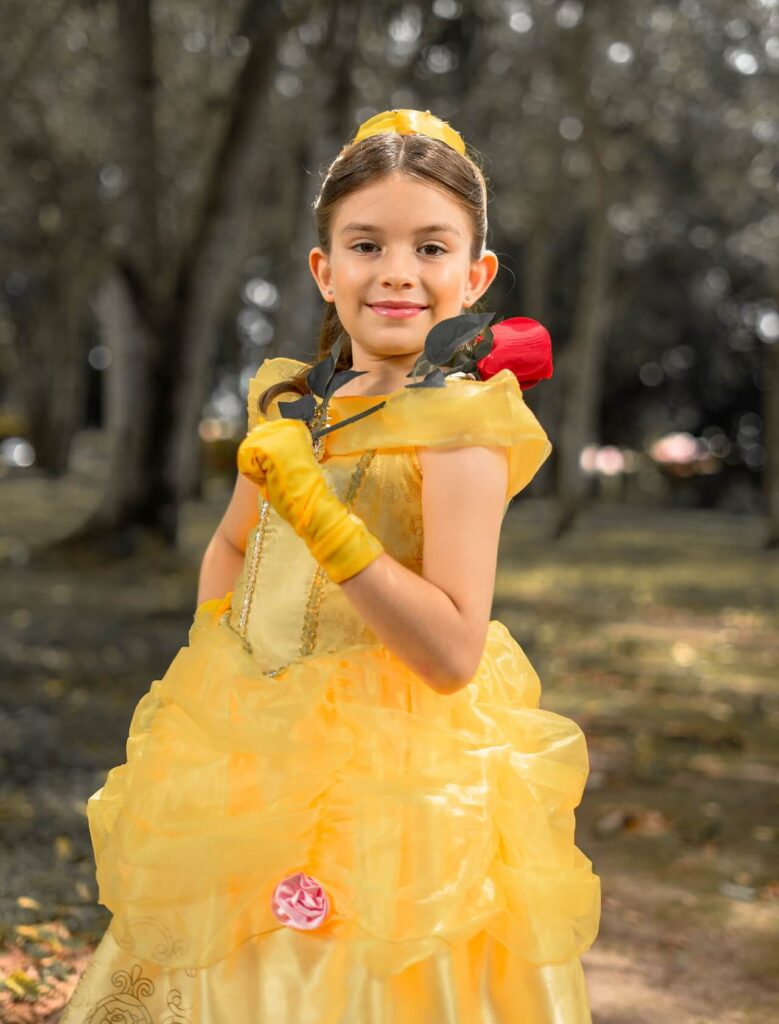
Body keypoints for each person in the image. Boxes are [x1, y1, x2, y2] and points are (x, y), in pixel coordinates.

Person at [61, 108, 600, 1023]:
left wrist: (327, 523)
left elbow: (450, 653)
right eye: (366, 244)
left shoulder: (463, 429)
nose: (396, 271)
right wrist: (218, 651)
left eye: (431, 248)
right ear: (325, 269)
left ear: (474, 276)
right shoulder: (296, 403)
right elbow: (235, 540)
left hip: (395, 778)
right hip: (254, 747)